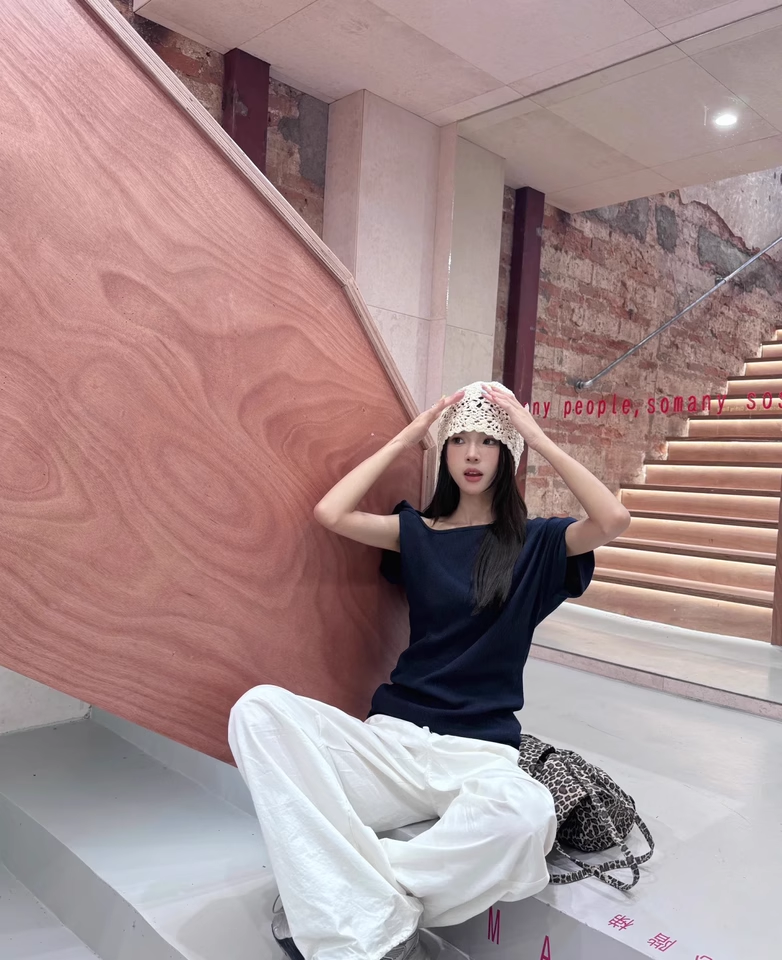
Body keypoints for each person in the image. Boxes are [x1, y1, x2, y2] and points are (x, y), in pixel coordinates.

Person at [228, 381, 631, 960]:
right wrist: (409, 436)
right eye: (459, 441)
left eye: (489, 441)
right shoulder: (415, 533)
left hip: (477, 753)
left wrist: (536, 436)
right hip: (393, 742)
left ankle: (338, 901)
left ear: (508, 454)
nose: (472, 454)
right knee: (259, 710)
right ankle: (359, 909)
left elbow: (612, 519)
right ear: (443, 452)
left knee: (527, 817)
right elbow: (330, 513)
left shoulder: (537, 543)